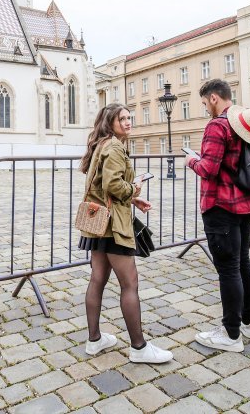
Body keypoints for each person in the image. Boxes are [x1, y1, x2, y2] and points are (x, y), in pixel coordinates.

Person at [78, 103, 173, 364]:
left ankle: (94, 339)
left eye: (130, 118)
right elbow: (113, 185)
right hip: (113, 227)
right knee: (129, 283)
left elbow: (101, 188)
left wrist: (132, 201)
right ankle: (139, 347)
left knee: (97, 279)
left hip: (97, 224)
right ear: (111, 122)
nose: (129, 122)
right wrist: (134, 189)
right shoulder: (116, 148)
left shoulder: (101, 145)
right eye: (123, 119)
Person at [185, 79, 250, 352]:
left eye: (204, 102)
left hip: (221, 205)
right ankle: (249, 323)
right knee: (243, 261)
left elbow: (208, 168)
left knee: (228, 269)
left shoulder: (217, 125)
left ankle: (231, 335)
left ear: (213, 98)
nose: (205, 108)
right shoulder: (245, 124)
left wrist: (192, 161)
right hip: (246, 203)